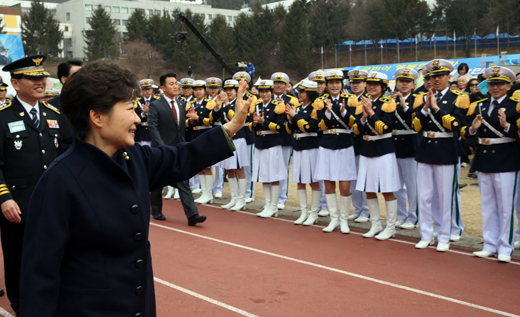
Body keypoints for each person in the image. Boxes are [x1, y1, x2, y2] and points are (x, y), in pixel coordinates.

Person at [19, 62, 249, 315]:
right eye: (129, 109)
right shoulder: (60, 180)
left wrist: (232, 126)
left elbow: (183, 157)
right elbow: (40, 275)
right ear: (96, 116)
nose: (137, 118)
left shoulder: (134, 158)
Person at [0, 55, 63, 313]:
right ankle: (20, 303)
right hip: (18, 205)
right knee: (18, 259)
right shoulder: (2, 118)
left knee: (52, 255)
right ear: (15, 83)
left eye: (42, 77)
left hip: (52, 203)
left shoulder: (55, 115)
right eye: (33, 78)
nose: (41, 82)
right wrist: (4, 198)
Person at [461, 66, 520, 263]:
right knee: (488, 205)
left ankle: (505, 246)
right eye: (492, 84)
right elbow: (468, 131)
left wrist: (507, 126)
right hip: (484, 157)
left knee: (505, 206)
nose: (495, 87)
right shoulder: (479, 105)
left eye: (500, 84)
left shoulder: (515, 105)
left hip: (507, 158)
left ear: (509, 85)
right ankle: (489, 243)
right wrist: (472, 129)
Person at [412, 59, 469, 252]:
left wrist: (436, 108)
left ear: (448, 77)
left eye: (440, 76)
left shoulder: (458, 97)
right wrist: (426, 107)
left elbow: (455, 126)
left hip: (446, 149)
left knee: (446, 196)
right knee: (425, 195)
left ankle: (445, 235)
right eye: (432, 76)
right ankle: (426, 234)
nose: (436, 80)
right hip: (425, 149)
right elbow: (416, 126)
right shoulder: (421, 98)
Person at [147, 72, 207, 225]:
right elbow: (153, 128)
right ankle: (156, 210)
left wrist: (183, 147)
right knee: (157, 183)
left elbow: (181, 130)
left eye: (176, 83)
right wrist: (162, 147)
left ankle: (192, 215)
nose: (175, 86)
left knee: (183, 180)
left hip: (178, 150)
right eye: (171, 84)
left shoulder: (181, 104)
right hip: (160, 150)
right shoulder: (156, 105)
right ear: (162, 87)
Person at [353, 72, 400, 240]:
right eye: (370, 83)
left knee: (387, 189)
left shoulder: (388, 103)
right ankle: (375, 224)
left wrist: (371, 113)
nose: (372, 87)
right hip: (366, 148)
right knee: (369, 190)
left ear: (383, 87)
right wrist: (364, 117)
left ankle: (390, 227)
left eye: (376, 84)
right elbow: (356, 130)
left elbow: (383, 128)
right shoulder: (362, 103)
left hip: (383, 149)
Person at [313, 71, 358, 233]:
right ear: (326, 84)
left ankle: (344, 220)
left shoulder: (351, 100)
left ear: (342, 83)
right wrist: (327, 111)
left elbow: (354, 123)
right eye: (331, 82)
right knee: (328, 183)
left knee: (345, 185)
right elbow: (320, 124)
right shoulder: (320, 101)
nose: (334, 85)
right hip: (327, 144)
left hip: (345, 144)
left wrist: (344, 111)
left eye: (337, 82)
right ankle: (334, 219)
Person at [285, 80, 322, 226]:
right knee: (300, 182)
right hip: (298, 146)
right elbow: (290, 130)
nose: (299, 94)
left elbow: (310, 127)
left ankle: (314, 212)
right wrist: (290, 119)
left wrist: (295, 116)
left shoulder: (315, 107)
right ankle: (303, 212)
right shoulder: (298, 107)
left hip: (311, 146)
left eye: (302, 91)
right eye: (299, 91)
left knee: (313, 182)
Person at [213, 79, 252, 211]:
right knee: (229, 169)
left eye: (231, 89)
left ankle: (242, 199)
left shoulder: (238, 102)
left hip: (238, 139)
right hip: (227, 138)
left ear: (237, 91)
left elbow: (235, 116)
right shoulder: (226, 104)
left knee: (239, 169)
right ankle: (234, 198)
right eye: (226, 89)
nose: (228, 92)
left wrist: (226, 103)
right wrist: (218, 106)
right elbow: (217, 117)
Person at [250, 80, 286, 218]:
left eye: (267, 91)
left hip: (272, 142)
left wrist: (263, 122)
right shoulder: (256, 106)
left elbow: (279, 127)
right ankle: (268, 204)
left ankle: (274, 206)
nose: (264, 94)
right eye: (262, 91)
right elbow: (252, 126)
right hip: (260, 142)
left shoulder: (278, 105)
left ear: (271, 92)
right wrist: (256, 124)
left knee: (274, 176)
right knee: (264, 176)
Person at [392, 68, 419, 230]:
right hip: (394, 145)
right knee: (397, 185)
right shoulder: (391, 101)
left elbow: (419, 121)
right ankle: (401, 215)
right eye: (401, 81)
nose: (404, 84)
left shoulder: (418, 100)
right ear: (396, 83)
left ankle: (414, 217)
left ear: (414, 84)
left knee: (412, 185)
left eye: (408, 82)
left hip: (411, 145)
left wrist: (406, 108)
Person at [271, 72, 299, 210]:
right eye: (276, 83)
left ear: (287, 86)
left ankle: (281, 198)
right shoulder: (267, 99)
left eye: (281, 83)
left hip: (285, 137)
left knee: (282, 169)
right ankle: (271, 198)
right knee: (271, 168)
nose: (278, 85)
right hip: (270, 138)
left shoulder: (292, 100)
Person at [187, 80, 217, 204]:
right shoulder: (190, 104)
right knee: (199, 165)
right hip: (194, 134)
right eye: (196, 89)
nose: (198, 92)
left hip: (205, 134)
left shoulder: (210, 103)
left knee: (206, 165)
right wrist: (191, 120)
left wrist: (197, 118)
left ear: (205, 91)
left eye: (200, 89)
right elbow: (185, 121)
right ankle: (204, 192)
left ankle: (208, 193)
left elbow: (211, 121)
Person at [346, 70, 370, 223]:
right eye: (353, 82)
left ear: (365, 84)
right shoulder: (346, 100)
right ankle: (357, 208)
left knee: (364, 178)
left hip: (363, 142)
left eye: (358, 82)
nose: (355, 85)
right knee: (352, 178)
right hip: (349, 142)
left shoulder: (368, 100)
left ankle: (366, 210)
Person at [233, 72, 258, 203]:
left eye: (242, 82)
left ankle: (249, 192)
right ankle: (239, 191)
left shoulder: (251, 98)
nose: (240, 84)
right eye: (237, 82)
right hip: (236, 131)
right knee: (236, 165)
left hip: (247, 131)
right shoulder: (234, 98)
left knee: (247, 165)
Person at [47, 59, 83, 149]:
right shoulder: (50, 108)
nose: (83, 78)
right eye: (77, 74)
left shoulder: (92, 103)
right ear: (64, 79)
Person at [205, 77, 225, 199]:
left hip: (219, 130)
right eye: (211, 88)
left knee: (219, 164)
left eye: (215, 88)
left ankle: (218, 188)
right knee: (207, 162)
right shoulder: (204, 101)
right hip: (206, 131)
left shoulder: (222, 100)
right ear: (207, 88)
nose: (213, 90)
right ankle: (207, 188)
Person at [135, 79, 158, 148]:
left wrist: (149, 112)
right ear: (141, 90)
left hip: (153, 132)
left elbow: (159, 116)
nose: (147, 91)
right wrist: (143, 113)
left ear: (152, 90)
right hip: (141, 133)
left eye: (148, 89)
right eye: (144, 89)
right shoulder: (137, 102)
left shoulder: (157, 101)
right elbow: (135, 117)